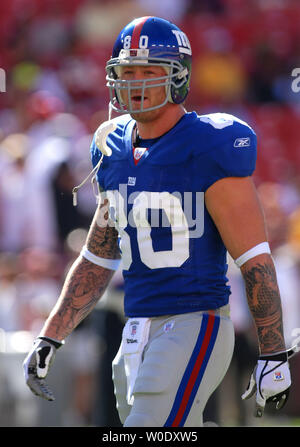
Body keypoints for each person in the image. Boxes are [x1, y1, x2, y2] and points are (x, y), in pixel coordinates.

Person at [23, 16, 292, 427]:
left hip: (194, 322)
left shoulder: (209, 145)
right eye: (127, 71)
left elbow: (253, 258)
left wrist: (272, 351)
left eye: (150, 71)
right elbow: (98, 257)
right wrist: (52, 333)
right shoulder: (110, 146)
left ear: (179, 79)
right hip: (134, 330)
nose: (136, 82)